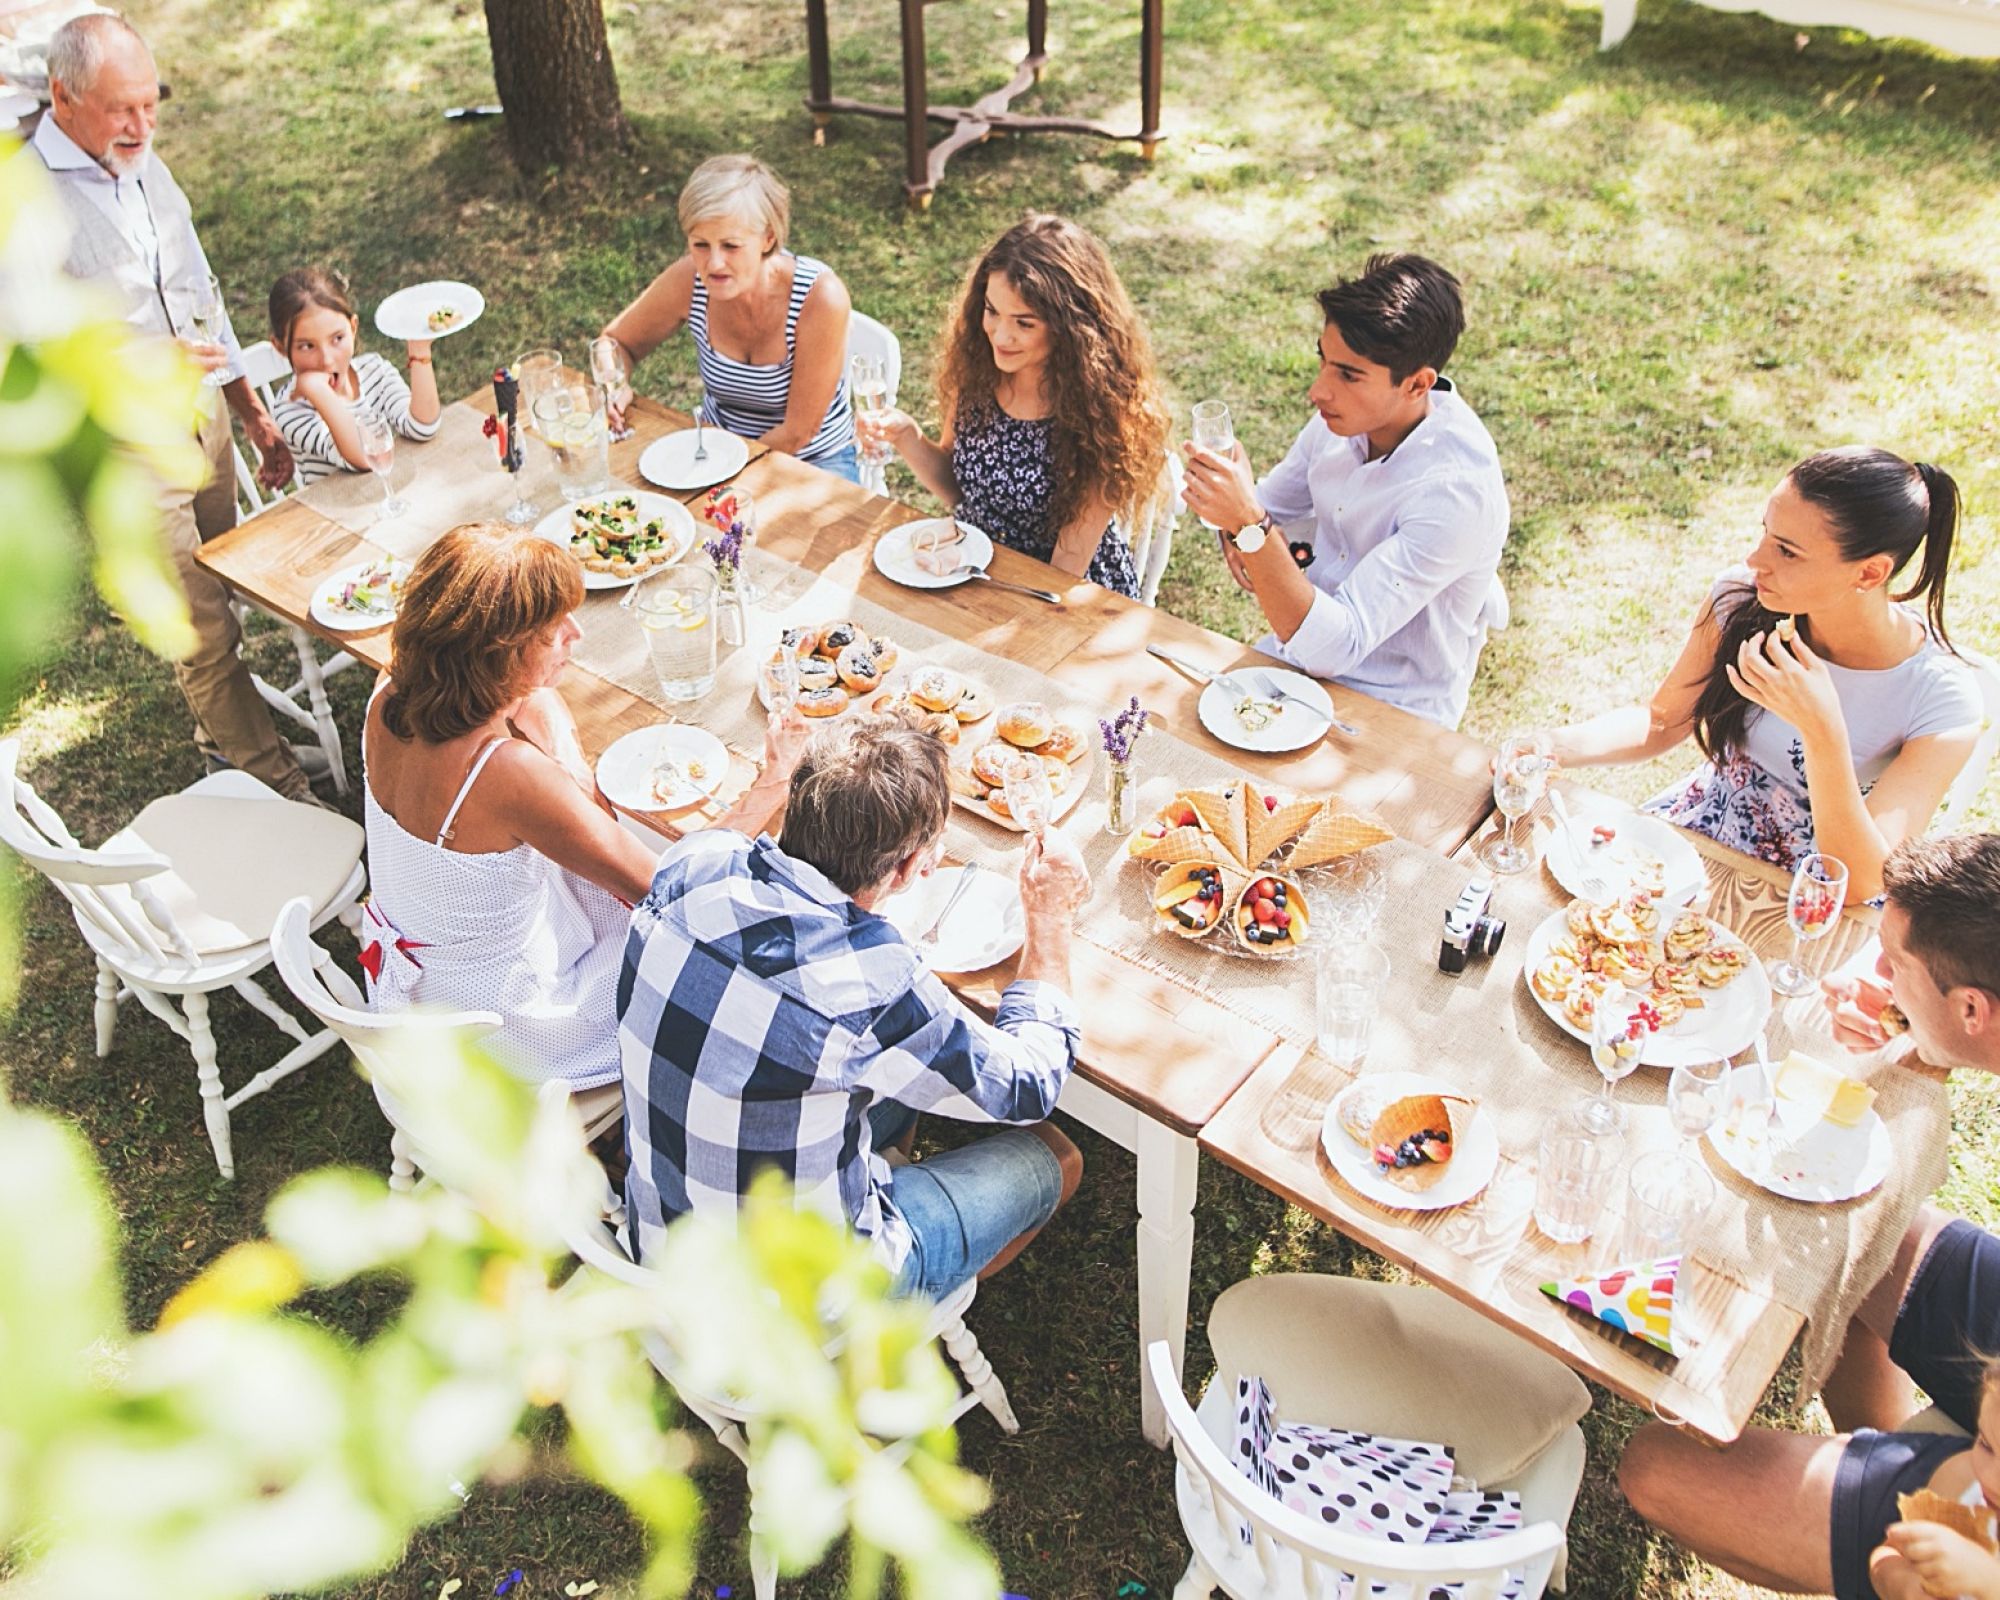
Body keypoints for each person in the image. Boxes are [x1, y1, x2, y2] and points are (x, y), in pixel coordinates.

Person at [1619, 833, 2000, 1600]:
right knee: (1868, 1228)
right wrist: (1909, 1021)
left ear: (1971, 1006)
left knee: (1654, 1468)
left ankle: (1906, 1493)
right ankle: (1893, 1455)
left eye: (1894, 964)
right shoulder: (1966, 1005)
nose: (1875, 974)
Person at [619, 715, 1089, 1299]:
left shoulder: (691, 865)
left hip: (661, 1249)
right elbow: (1029, 1086)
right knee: (1057, 1155)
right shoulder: (876, 983)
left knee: (881, 1088)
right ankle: (889, 1324)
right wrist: (1050, 915)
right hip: (783, 1317)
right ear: (908, 869)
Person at [359, 522, 799, 1089]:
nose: (576, 634)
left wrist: (561, 750)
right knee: (720, 950)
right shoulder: (503, 774)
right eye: (552, 631)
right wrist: (775, 779)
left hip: (429, 985)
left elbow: (536, 700)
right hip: (508, 1030)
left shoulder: (395, 687)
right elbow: (674, 890)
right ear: (500, 654)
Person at [28, 11, 312, 800]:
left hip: (205, 423)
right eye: (123, 107)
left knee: (234, 585)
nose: (142, 124)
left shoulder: (145, 162)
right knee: (204, 632)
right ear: (63, 95)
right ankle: (279, 786)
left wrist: (249, 408)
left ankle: (223, 742)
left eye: (152, 104)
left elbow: (200, 291)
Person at [1545, 447, 1979, 902]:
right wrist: (1553, 747)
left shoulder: (1942, 700)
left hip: (1812, 900)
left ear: (1870, 573)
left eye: (1787, 551)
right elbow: (1662, 720)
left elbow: (1865, 879)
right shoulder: (1742, 603)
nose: (1756, 560)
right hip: (1693, 843)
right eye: (1766, 535)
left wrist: (1822, 728)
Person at [1178, 252, 1508, 729]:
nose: (1318, 391)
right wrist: (1244, 526)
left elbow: (1338, 644)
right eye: (1324, 361)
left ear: (1418, 384)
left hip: (1395, 710)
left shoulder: (1456, 495)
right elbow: (1265, 515)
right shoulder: (1342, 421)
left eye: (1348, 375)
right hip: (1296, 664)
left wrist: (1250, 528)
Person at [858, 213, 1171, 600]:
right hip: (971, 569)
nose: (1000, 336)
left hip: (1059, 596)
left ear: (1071, 328)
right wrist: (907, 436)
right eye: (992, 311)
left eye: (1024, 323)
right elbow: (962, 491)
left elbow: (1062, 576)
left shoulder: (1100, 416)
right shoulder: (978, 374)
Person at [598, 153, 858, 482]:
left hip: (812, 460)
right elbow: (616, 341)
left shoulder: (820, 299)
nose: (714, 263)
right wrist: (614, 382)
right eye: (701, 244)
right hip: (712, 451)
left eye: (731, 246)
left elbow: (799, 432)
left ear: (768, 238)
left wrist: (720, 475)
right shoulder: (689, 280)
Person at [267, 267, 440, 486]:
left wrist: (420, 352)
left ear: (353, 328)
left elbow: (422, 427)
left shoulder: (374, 371)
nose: (327, 360)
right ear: (281, 347)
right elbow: (366, 458)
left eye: (337, 338)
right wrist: (318, 391)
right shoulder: (291, 410)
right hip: (338, 516)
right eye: (307, 346)